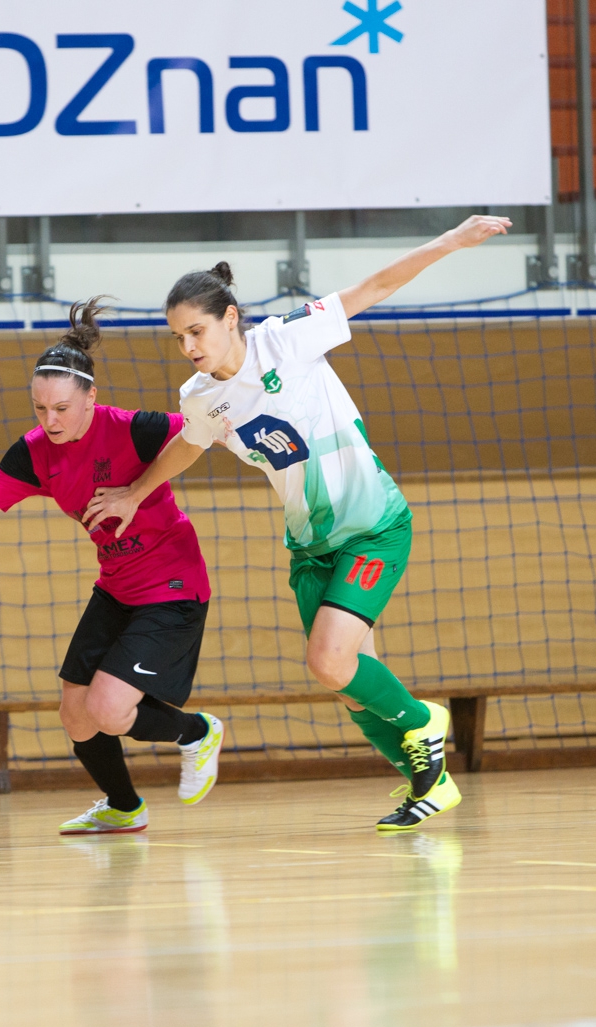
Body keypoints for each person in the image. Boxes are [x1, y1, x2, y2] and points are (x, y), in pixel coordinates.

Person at [83, 216, 513, 833]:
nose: (189, 346)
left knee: (329, 661)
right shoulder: (201, 397)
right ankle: (430, 780)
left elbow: (373, 287)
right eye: (178, 337)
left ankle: (425, 723)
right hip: (311, 545)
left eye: (197, 330)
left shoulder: (286, 339)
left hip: (372, 524)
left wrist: (451, 241)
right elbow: (188, 445)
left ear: (231, 318)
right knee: (346, 681)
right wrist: (134, 492)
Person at [0, 298, 224, 835]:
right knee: (75, 714)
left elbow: (206, 429)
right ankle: (123, 807)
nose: (50, 420)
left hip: (173, 586)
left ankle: (196, 732)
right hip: (117, 587)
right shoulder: (34, 453)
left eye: (61, 408)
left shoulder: (135, 430)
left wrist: (137, 490)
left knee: (107, 709)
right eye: (40, 408)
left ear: (91, 398)